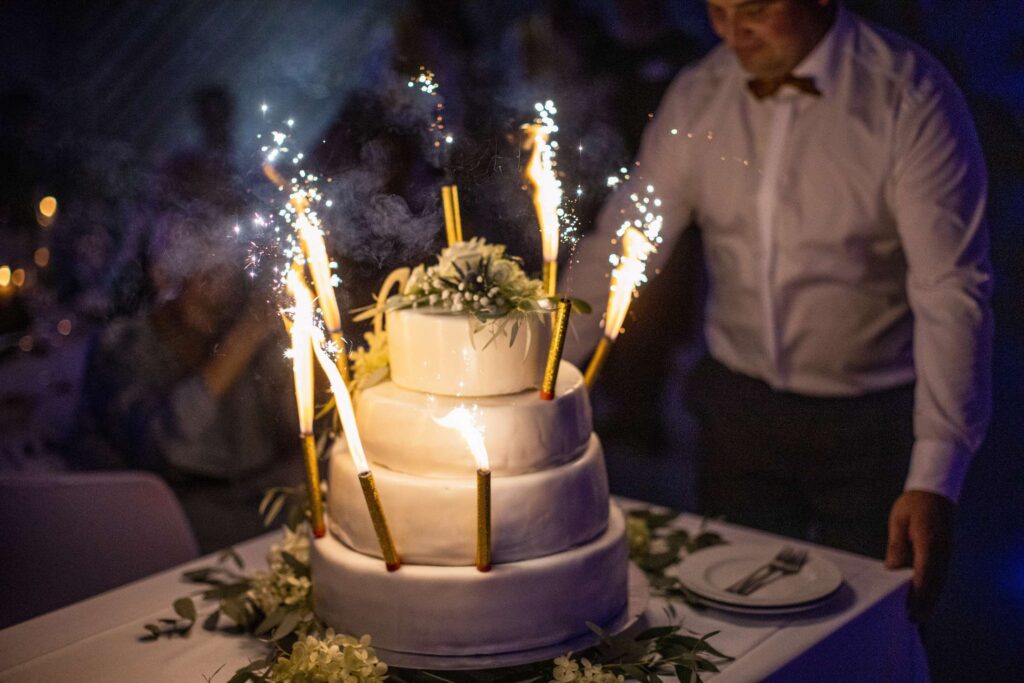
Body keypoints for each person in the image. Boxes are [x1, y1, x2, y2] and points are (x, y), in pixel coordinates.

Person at [566, 0, 992, 622]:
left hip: (872, 423)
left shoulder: (910, 94)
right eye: (716, 9)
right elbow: (624, 242)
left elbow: (951, 289)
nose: (732, 30)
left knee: (867, 627)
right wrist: (540, 371)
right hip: (738, 412)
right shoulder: (700, 93)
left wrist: (935, 473)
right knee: (729, 620)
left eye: (757, 8)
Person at [76, 214, 302, 551]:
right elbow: (165, 449)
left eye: (227, 273)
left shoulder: (239, 334)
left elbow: (302, 431)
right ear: (162, 276)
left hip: (271, 515)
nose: (220, 292)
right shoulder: (123, 347)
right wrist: (243, 341)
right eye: (206, 275)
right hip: (171, 532)